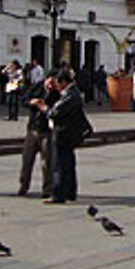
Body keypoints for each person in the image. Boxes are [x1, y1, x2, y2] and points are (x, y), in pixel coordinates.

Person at [44, 68, 92, 204]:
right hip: (68, 133)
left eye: (58, 83)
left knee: (59, 164)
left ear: (64, 82)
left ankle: (58, 194)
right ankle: (70, 192)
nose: (57, 86)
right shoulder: (71, 93)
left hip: (64, 133)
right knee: (68, 164)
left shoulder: (70, 94)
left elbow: (55, 112)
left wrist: (44, 109)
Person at [18, 76, 55, 198]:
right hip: (33, 128)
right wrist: (31, 102)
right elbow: (23, 100)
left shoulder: (56, 93)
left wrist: (46, 108)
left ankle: (47, 188)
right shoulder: (37, 88)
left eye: (53, 83)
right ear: (46, 79)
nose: (51, 85)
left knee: (47, 161)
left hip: (46, 131)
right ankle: (23, 186)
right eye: (50, 82)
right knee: (27, 160)